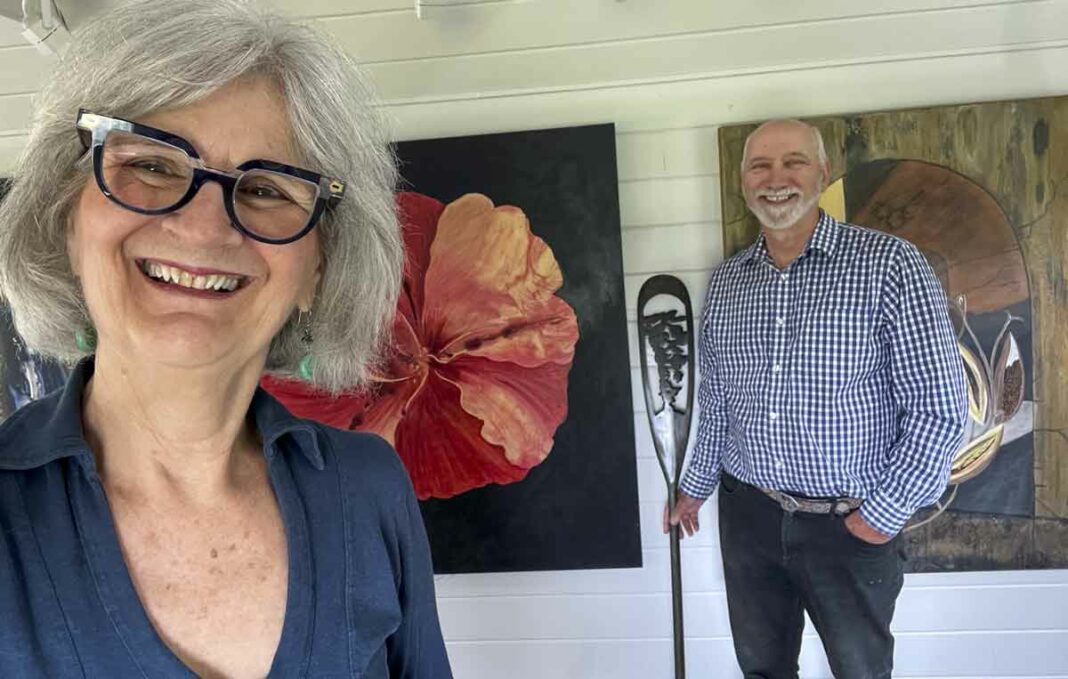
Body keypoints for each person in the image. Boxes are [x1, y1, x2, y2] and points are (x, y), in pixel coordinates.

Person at [0, 1, 452, 676]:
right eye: (152, 165)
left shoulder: (369, 492)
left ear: (317, 268)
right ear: (67, 220)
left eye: (267, 187)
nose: (207, 227)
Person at [665, 119, 968, 678]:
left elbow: (941, 409)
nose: (775, 179)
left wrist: (882, 516)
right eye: (760, 166)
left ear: (822, 173)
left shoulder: (890, 266)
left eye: (793, 163)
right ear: (744, 181)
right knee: (763, 670)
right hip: (749, 517)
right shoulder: (729, 283)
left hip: (847, 525)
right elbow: (719, 403)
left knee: (861, 673)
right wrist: (694, 487)